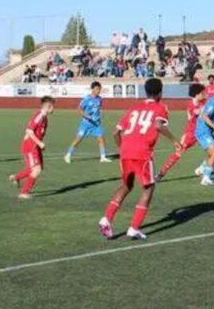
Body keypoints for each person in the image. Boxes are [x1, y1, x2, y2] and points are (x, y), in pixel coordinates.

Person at [98, 78, 180, 241]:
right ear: (160, 92)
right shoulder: (160, 107)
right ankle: (133, 228)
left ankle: (106, 218)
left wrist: (121, 149)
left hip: (126, 151)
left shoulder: (134, 107)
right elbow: (158, 126)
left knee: (127, 185)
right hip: (142, 152)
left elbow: (116, 132)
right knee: (148, 188)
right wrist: (174, 140)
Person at [156, 83, 206, 181]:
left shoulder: (203, 102)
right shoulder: (191, 105)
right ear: (196, 94)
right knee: (178, 153)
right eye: (202, 93)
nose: (204, 95)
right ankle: (161, 174)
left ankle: (205, 170)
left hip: (202, 133)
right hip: (190, 134)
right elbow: (199, 112)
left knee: (213, 150)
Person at [8, 96, 55, 199]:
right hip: (30, 146)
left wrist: (39, 144)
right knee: (36, 170)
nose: (54, 109)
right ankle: (24, 192)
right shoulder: (39, 116)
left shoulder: (44, 117)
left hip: (34, 145)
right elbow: (29, 131)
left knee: (37, 168)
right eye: (53, 107)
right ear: (48, 106)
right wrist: (39, 143)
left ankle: (16, 177)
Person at [64, 81, 112, 164]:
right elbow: (79, 109)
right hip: (86, 124)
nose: (98, 91)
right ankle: (68, 155)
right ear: (92, 89)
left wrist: (98, 116)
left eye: (99, 89)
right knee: (78, 139)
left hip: (96, 124)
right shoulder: (87, 99)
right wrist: (86, 116)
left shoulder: (100, 99)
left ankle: (103, 157)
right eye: (97, 89)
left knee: (101, 139)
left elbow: (98, 109)